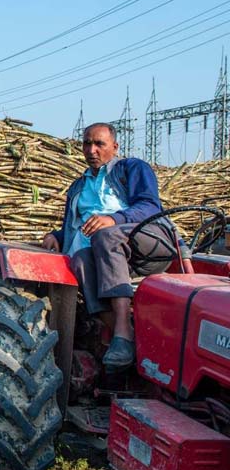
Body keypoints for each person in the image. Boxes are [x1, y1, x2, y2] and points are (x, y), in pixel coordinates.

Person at [42, 122, 177, 370]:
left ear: (114, 147)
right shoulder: (78, 188)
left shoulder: (132, 169)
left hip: (149, 242)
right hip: (104, 252)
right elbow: (76, 225)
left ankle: (124, 330)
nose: (91, 150)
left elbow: (150, 207)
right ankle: (124, 338)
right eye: (86, 143)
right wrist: (58, 236)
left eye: (99, 144)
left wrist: (113, 219)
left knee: (105, 236)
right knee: (81, 259)